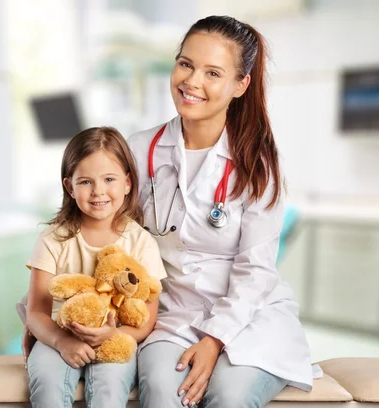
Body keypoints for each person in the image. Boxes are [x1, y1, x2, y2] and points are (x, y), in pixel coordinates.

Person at [128, 15, 313, 408]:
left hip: (251, 316)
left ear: (240, 85)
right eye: (185, 64)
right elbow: (104, 235)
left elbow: (256, 269)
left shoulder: (258, 161)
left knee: (229, 395)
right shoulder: (139, 149)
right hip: (173, 313)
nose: (192, 82)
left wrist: (215, 339)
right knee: (163, 390)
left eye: (212, 72)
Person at [20, 126, 167, 408]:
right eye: (86, 182)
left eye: (109, 179)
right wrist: (62, 342)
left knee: (108, 388)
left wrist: (116, 335)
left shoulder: (141, 241)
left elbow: (147, 318)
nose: (98, 191)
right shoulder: (53, 239)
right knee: (47, 385)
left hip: (116, 338)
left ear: (127, 183)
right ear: (69, 187)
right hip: (59, 335)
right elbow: (37, 313)